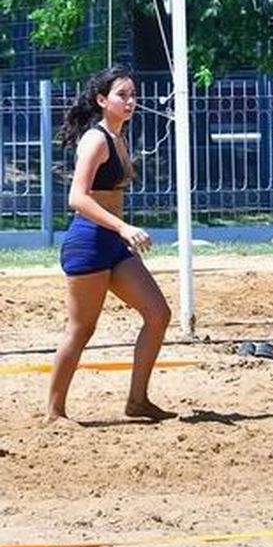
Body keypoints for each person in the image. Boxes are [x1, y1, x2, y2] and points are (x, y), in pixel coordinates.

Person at [46, 65, 176, 424]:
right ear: (102, 100)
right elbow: (77, 197)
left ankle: (137, 401)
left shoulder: (118, 137)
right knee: (81, 330)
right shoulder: (96, 139)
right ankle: (54, 413)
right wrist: (123, 227)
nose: (131, 101)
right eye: (123, 95)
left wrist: (120, 231)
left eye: (133, 94)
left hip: (113, 243)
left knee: (158, 314)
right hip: (88, 241)